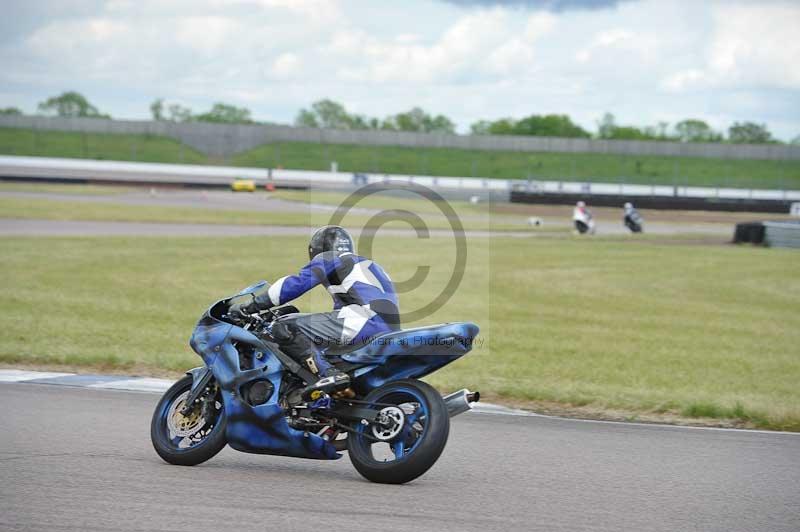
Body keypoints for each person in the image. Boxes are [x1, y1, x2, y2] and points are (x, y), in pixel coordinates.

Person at [227, 226, 399, 399]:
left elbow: (296, 284)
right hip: (388, 330)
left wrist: (252, 305)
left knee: (283, 327)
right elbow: (344, 309)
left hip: (364, 321)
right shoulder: (368, 265)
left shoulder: (331, 258)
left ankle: (327, 374)